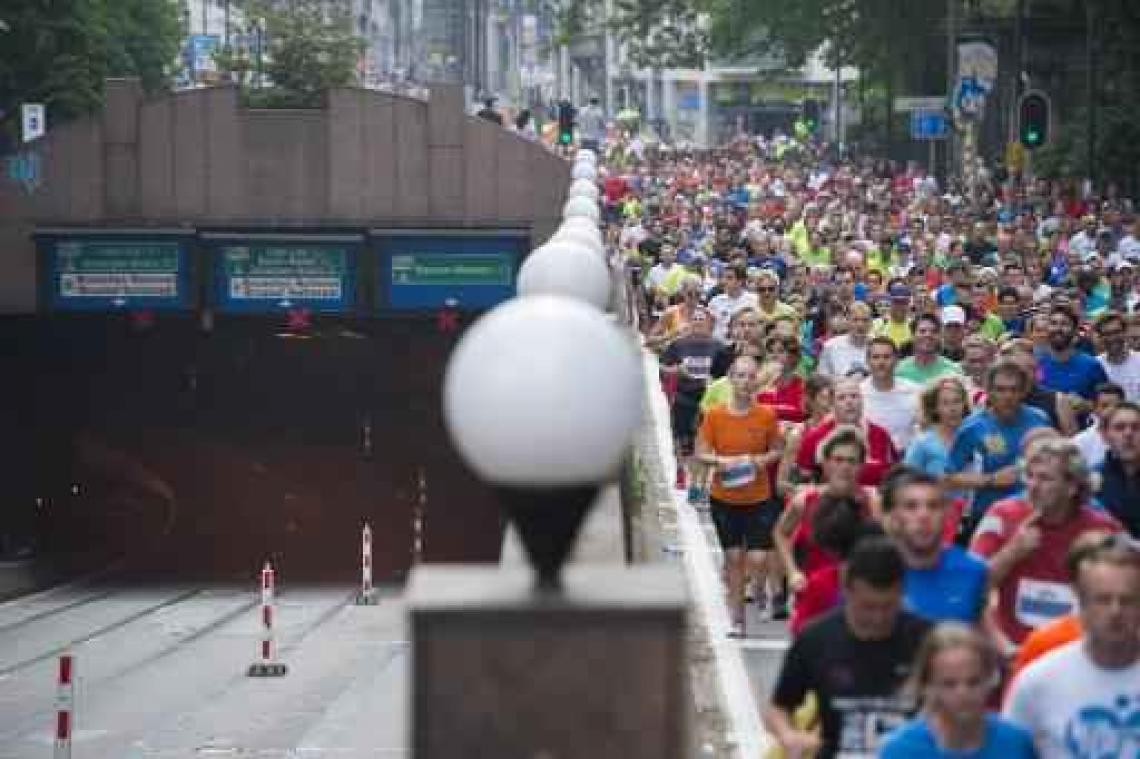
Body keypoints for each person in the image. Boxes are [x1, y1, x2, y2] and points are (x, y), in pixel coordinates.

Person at [764, 536, 930, 758]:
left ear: (901, 591)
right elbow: (779, 707)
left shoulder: (927, 640)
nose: (878, 617)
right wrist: (789, 736)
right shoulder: (815, 639)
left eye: (888, 606)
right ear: (847, 590)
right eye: (868, 607)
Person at [969, 438, 1123, 653]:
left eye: (1045, 479)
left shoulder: (1102, 528)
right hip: (1014, 648)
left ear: (1071, 486)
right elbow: (969, 587)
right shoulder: (1002, 515)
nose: (1033, 486)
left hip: (1076, 652)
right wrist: (1012, 552)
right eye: (1029, 476)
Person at [1004, 535, 1140, 757]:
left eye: (1127, 600)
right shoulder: (1037, 682)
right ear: (1081, 601)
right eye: (1103, 600)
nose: (1115, 611)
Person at [695, 356, 784, 636]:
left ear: (757, 381)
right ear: (731, 380)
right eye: (740, 376)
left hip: (758, 497)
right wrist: (720, 461)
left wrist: (759, 461)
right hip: (724, 498)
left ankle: (758, 589)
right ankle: (737, 620)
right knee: (734, 559)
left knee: (757, 559)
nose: (746, 382)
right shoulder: (715, 416)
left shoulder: (767, 415)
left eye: (751, 377)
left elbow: (778, 449)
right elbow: (700, 452)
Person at [880, 623, 1036, 758]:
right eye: (949, 684)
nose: (963, 694)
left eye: (973, 682)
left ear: (989, 680)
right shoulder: (902, 750)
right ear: (927, 686)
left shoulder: (1016, 744)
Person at [945, 360, 1051, 532]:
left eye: (1013, 389)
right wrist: (991, 480)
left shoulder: (1040, 419)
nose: (1007, 396)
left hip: (1034, 515)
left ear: (1024, 391)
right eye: (1000, 389)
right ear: (989, 391)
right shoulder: (973, 427)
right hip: (988, 518)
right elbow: (948, 477)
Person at [777, 425, 882, 594]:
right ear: (825, 463)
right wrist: (792, 572)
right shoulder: (805, 500)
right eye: (838, 460)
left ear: (862, 465)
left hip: (859, 599)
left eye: (852, 461)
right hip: (813, 596)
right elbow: (780, 533)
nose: (845, 467)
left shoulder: (872, 502)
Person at [881, 467, 989, 623]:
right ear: (892, 517)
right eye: (911, 506)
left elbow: (983, 633)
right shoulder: (870, 570)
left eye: (933, 506)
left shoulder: (973, 570)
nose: (923, 515)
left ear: (946, 514)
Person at [795, 377, 899, 487]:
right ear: (832, 404)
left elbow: (895, 479)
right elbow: (802, 485)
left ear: (862, 401)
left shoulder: (881, 435)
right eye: (841, 398)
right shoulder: (814, 438)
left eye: (854, 396)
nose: (849, 402)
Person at [1037, 304, 1108, 401]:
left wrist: (1085, 406)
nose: (1058, 328)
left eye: (1064, 324)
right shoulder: (1037, 363)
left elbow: (1106, 404)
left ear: (1075, 330)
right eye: (1053, 323)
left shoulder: (1091, 365)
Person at [861, 336, 920, 451]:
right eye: (876, 357)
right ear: (867, 361)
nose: (881, 362)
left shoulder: (915, 391)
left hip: (905, 460)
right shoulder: (858, 393)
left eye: (887, 357)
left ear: (896, 360)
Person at [1097, 401, 1140, 536]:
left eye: (1136, 427)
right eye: (1119, 427)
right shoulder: (1091, 480)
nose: (1128, 433)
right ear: (1105, 435)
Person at [896, 313, 964, 385]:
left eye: (934, 332)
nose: (928, 335)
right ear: (912, 336)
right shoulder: (898, 371)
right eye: (922, 331)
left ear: (940, 336)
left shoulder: (953, 370)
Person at [1071, 382, 1124, 468]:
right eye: (1105, 406)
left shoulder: (1134, 436)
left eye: (1116, 405)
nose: (1111, 410)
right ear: (1095, 409)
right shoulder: (1079, 442)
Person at [817, 301, 873, 377]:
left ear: (871, 323)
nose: (860, 325)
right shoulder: (830, 346)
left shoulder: (879, 346)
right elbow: (821, 378)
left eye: (865, 320)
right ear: (848, 321)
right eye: (855, 320)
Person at [1095, 309, 1140, 401]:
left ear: (1125, 332)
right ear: (1100, 337)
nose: (1112, 337)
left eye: (1117, 332)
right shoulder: (1094, 365)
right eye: (1106, 334)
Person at [707, 264, 759, 341]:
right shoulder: (715, 301)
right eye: (724, 277)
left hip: (745, 346)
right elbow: (709, 327)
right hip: (720, 347)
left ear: (740, 281)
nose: (724, 281)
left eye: (729, 278)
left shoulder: (753, 300)